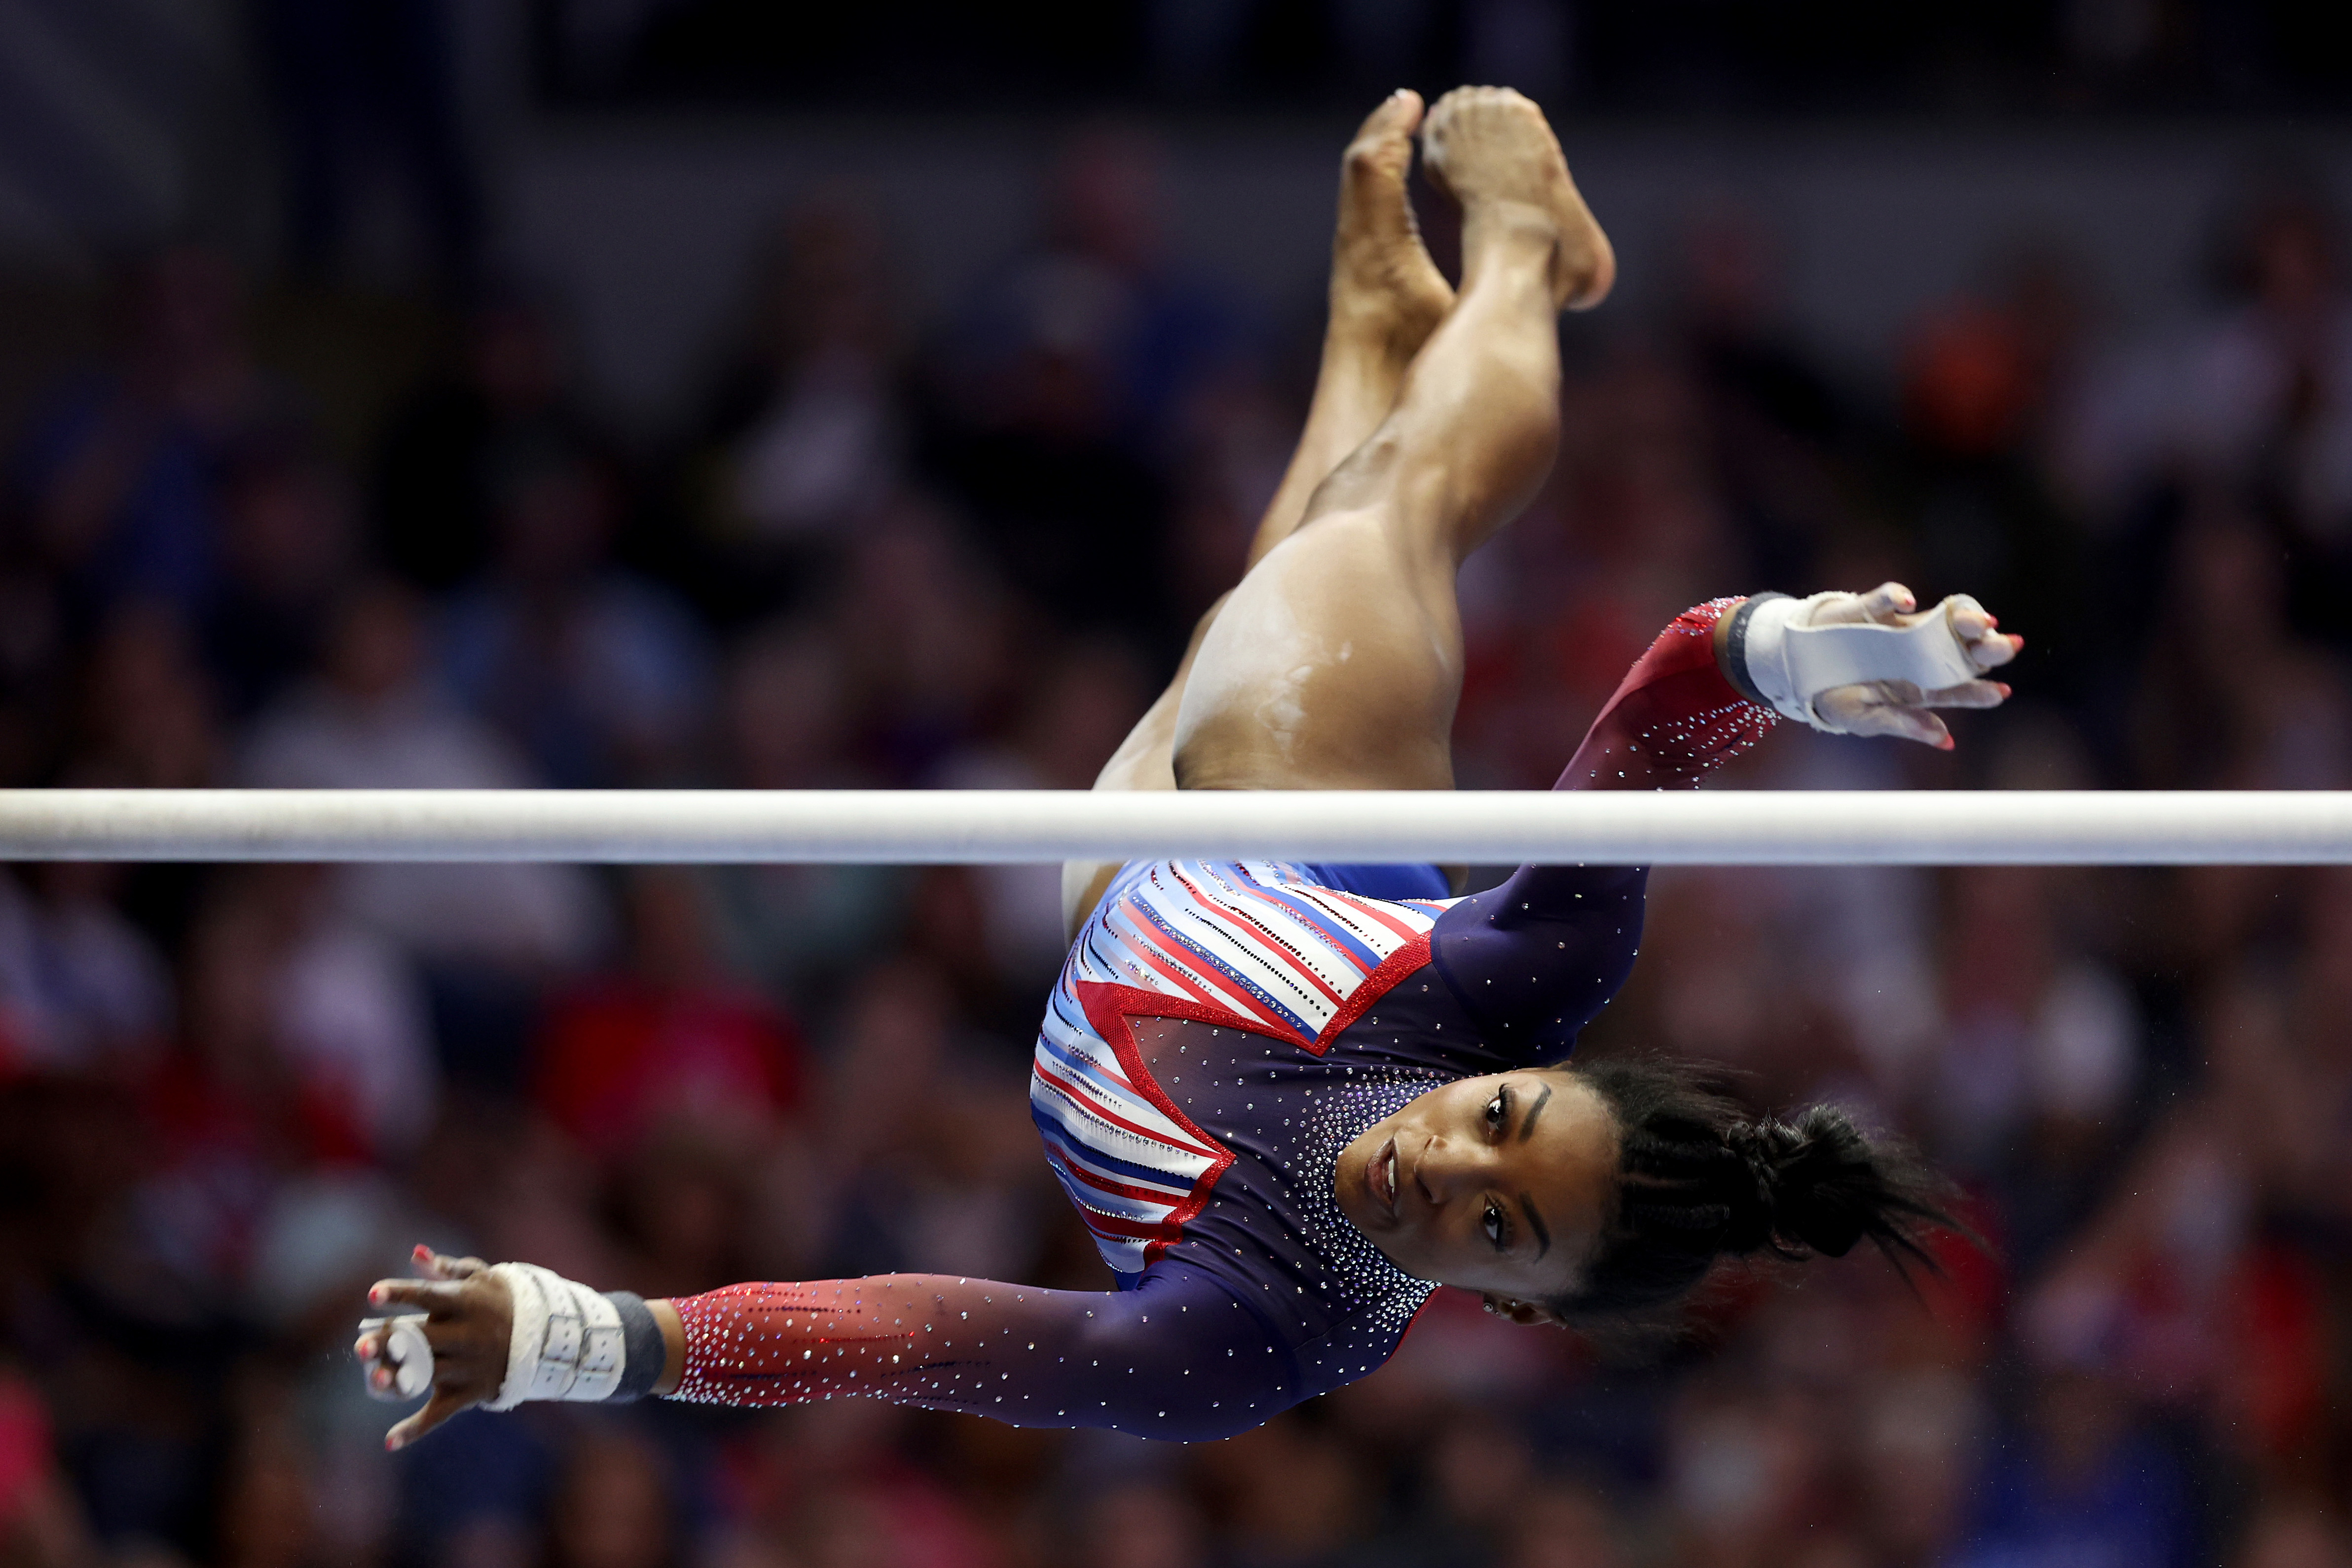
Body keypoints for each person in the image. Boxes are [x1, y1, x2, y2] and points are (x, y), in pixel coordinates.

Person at [355, 87, 2020, 1449]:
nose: (1453, 1158)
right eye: (1505, 1117)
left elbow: (912, 1332)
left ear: (1514, 1305)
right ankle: (1524, 253)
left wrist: (593, 1336)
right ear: (1517, 1067)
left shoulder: (1253, 1334)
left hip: (1125, 874)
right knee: (1403, 502)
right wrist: (1810, 653)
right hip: (1299, 787)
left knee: (1291, 547)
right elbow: (1669, 696)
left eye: (1501, 1222)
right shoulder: (1534, 970)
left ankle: (1375, 323)